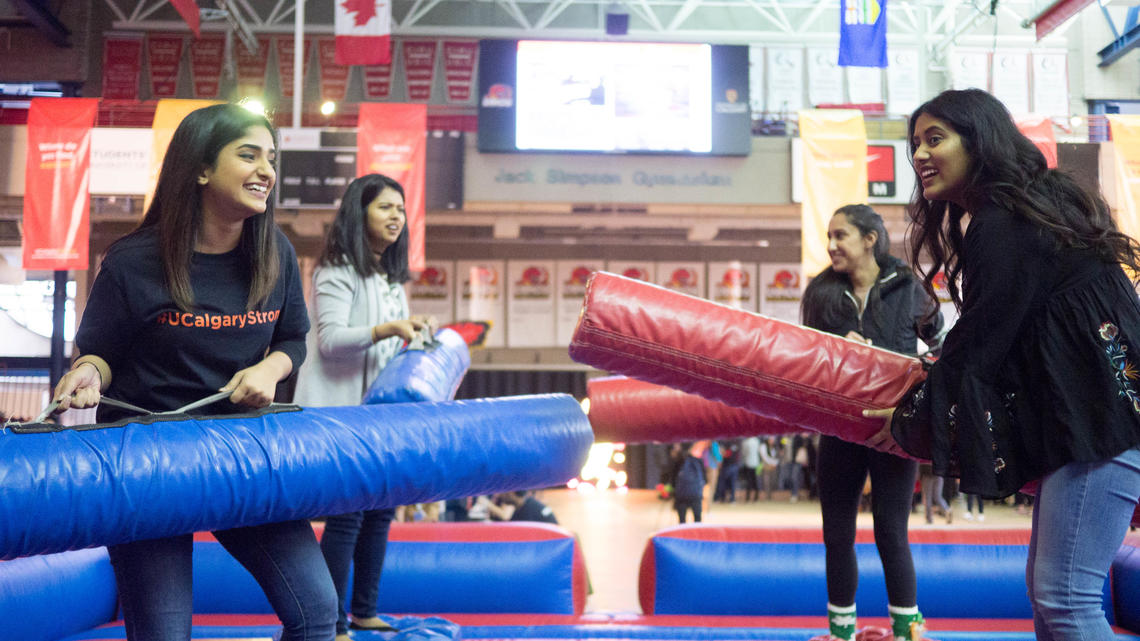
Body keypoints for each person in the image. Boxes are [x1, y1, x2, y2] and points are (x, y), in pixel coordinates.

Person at [50, 103, 338, 641]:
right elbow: (99, 353)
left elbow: (292, 339)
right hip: (149, 465)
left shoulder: (274, 252)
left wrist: (269, 370)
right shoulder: (134, 261)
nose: (266, 172)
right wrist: (88, 375)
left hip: (241, 456)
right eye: (248, 155)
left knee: (317, 612)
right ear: (201, 169)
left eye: (271, 160)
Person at [870, 87, 1140, 640]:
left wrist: (904, 417)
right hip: (1096, 421)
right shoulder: (1027, 208)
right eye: (914, 143)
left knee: (1066, 599)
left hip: (1103, 424)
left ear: (981, 140)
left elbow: (980, 345)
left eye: (935, 139)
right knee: (1051, 598)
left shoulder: (1007, 220)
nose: (919, 155)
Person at [293, 173, 434, 641]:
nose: (396, 217)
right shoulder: (336, 270)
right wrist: (389, 329)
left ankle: (364, 610)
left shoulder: (388, 278)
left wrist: (414, 334)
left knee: (380, 513)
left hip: (378, 418)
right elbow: (330, 341)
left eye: (400, 209)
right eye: (385, 208)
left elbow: (389, 350)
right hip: (342, 418)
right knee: (348, 517)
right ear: (361, 212)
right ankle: (330, 622)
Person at [800, 203, 944, 641]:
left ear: (869, 239)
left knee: (891, 532)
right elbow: (807, 361)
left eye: (840, 235)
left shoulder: (909, 289)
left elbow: (939, 352)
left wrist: (907, 372)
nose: (831, 245)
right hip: (840, 430)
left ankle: (906, 629)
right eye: (829, 236)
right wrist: (836, 348)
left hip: (893, 431)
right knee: (837, 534)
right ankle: (841, 632)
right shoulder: (821, 293)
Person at [672, 442, 707, 523]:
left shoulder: (678, 462)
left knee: (682, 520)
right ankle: (697, 535)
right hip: (696, 494)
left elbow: (673, 479)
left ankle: (682, 535)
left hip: (681, 495)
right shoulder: (698, 461)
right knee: (697, 519)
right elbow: (705, 480)